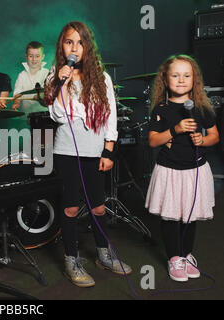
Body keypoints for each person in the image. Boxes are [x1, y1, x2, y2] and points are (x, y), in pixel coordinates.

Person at [44, 21, 132, 288]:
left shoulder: (101, 77)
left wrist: (108, 149)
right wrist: (61, 83)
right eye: (69, 42)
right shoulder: (55, 76)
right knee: (71, 206)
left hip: (95, 152)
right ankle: (72, 259)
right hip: (66, 150)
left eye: (80, 42)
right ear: (62, 45)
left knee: (98, 206)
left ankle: (104, 254)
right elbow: (57, 115)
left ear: (87, 46)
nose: (75, 47)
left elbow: (111, 119)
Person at [145, 54, 219, 282]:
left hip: (195, 170)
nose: (181, 80)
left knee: (190, 215)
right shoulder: (162, 108)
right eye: (175, 75)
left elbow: (215, 135)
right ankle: (174, 258)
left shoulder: (202, 107)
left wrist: (203, 141)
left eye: (186, 75)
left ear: (194, 79)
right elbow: (153, 141)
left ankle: (186, 255)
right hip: (170, 170)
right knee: (170, 217)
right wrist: (174, 130)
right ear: (165, 80)